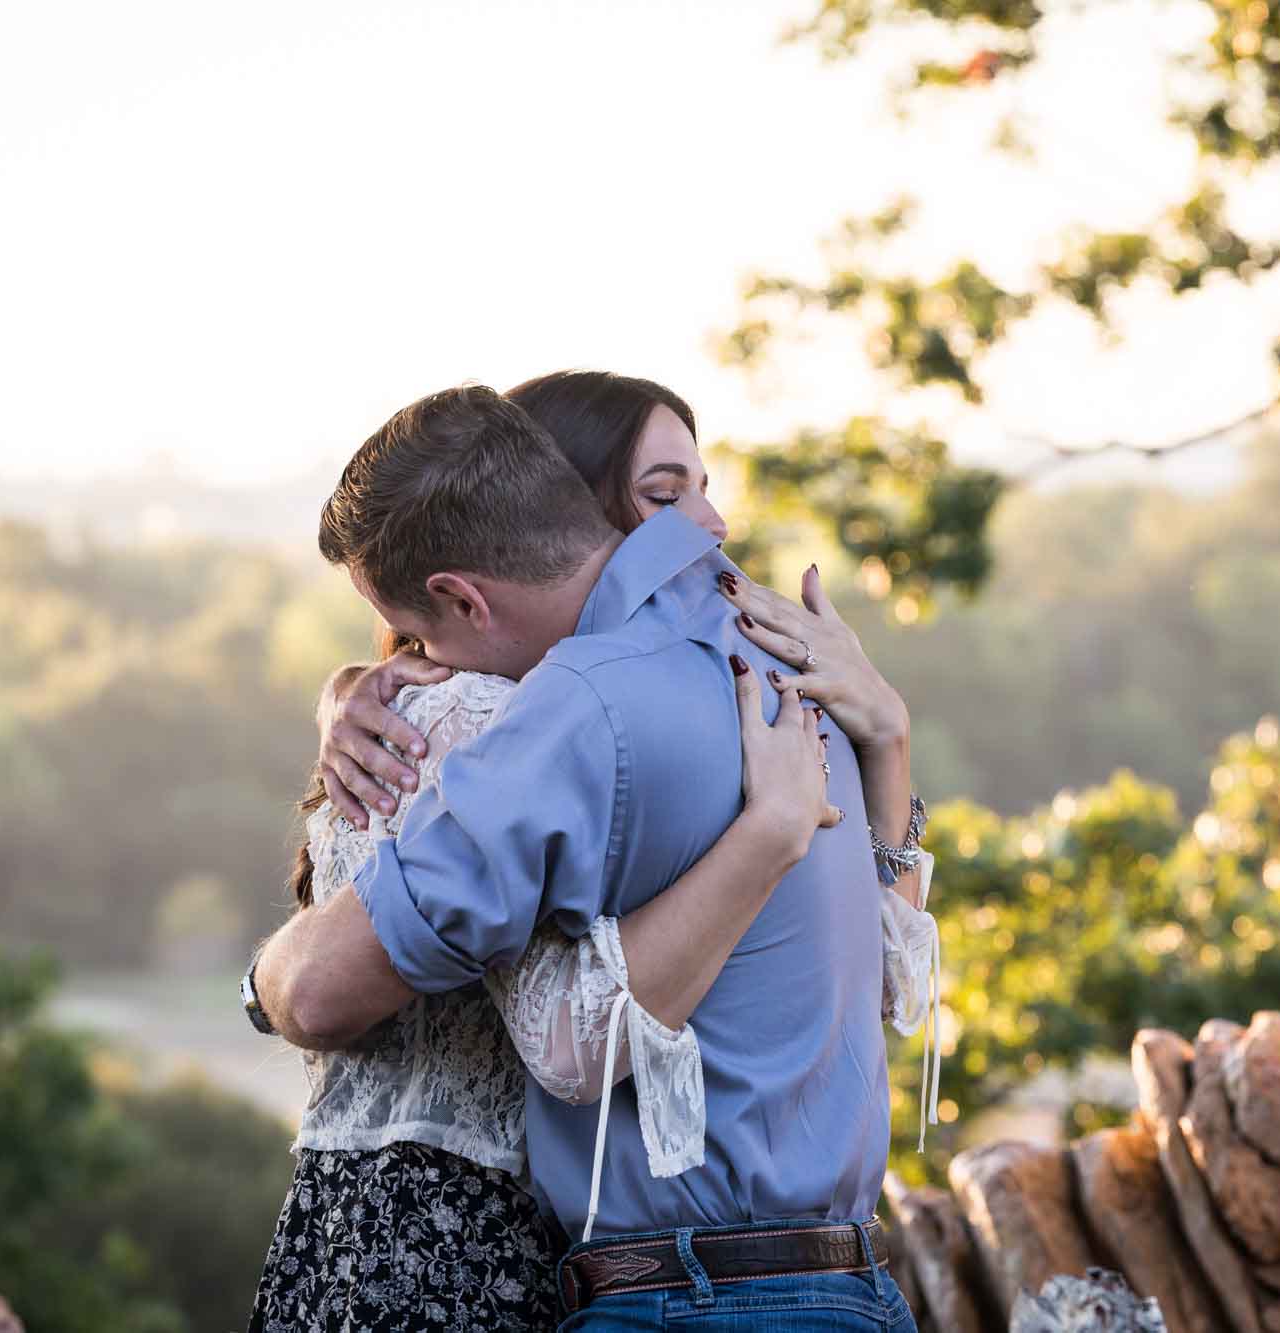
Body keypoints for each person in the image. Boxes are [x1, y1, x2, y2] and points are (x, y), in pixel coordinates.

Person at [250, 380, 931, 1330]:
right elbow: (891, 983)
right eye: (666, 490)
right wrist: (887, 739)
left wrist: (260, 976)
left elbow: (325, 994)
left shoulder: (576, 701)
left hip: (679, 1297)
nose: (710, 520)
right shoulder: (787, 661)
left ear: (459, 595)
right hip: (854, 1283)